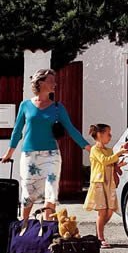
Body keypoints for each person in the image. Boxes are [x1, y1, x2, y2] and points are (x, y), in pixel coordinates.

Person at [1, 68, 91, 220]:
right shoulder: (25, 105)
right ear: (40, 82)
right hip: (29, 155)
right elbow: (17, 131)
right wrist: (9, 153)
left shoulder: (57, 108)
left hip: (51, 155)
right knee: (28, 192)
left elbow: (71, 130)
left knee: (51, 190)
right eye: (51, 81)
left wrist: (91, 149)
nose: (54, 84)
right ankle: (24, 227)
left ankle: (48, 228)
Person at [83, 124, 128, 248]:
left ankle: (99, 228)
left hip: (109, 183)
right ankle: (100, 238)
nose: (110, 136)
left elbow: (111, 163)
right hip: (99, 183)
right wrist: (118, 154)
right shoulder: (94, 149)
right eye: (108, 133)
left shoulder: (109, 150)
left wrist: (118, 165)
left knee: (111, 209)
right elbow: (104, 160)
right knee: (102, 211)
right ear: (99, 135)